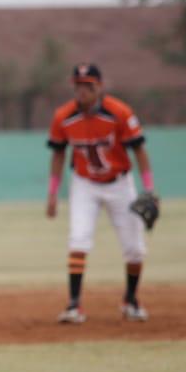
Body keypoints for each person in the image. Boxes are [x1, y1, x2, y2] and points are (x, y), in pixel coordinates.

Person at [45, 64, 154, 323]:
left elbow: (139, 150)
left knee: (135, 249)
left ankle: (130, 300)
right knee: (78, 240)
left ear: (99, 87)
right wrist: (52, 193)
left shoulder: (119, 113)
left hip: (120, 183)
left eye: (88, 86)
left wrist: (149, 188)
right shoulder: (63, 116)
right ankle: (74, 306)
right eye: (78, 86)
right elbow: (58, 153)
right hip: (85, 183)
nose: (82, 91)